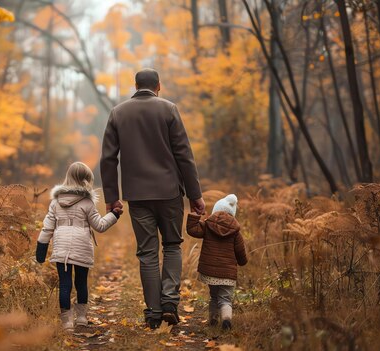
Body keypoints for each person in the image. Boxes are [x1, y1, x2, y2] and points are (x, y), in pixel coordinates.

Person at [100, 68, 205, 329]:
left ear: (135, 86)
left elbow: (108, 159)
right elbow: (184, 155)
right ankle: (170, 302)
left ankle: (153, 313)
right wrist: (195, 195)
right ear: (159, 86)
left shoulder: (118, 113)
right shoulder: (169, 109)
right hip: (169, 193)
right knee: (172, 245)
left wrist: (112, 197)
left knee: (147, 253)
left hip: (137, 196)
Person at [35, 162, 123, 331]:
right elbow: (100, 226)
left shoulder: (55, 203)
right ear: (85, 180)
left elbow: (47, 227)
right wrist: (114, 214)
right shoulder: (87, 203)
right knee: (81, 283)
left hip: (61, 246)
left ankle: (66, 322)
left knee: (65, 284)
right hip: (82, 245)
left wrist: (41, 248)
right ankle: (81, 318)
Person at [186, 194, 248, 330]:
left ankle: (213, 320)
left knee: (214, 296)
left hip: (210, 272)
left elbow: (192, 230)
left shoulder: (208, 225)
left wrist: (194, 215)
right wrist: (243, 262)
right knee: (225, 299)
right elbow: (241, 252)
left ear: (215, 210)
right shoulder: (235, 232)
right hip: (228, 273)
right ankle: (226, 319)